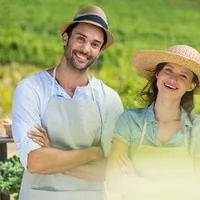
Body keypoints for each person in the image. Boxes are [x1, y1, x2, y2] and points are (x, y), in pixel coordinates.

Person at [11, 5, 123, 200]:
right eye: (81, 38)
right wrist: (94, 153)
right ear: (66, 38)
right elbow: (35, 162)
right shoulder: (31, 89)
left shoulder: (109, 99)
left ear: (99, 51)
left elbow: (114, 171)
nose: (86, 49)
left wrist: (51, 154)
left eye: (95, 44)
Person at [106, 44, 200, 199]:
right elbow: (114, 181)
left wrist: (143, 186)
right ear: (158, 74)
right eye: (168, 70)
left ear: (191, 85)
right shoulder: (129, 120)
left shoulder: (199, 128)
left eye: (183, 76)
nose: (173, 79)